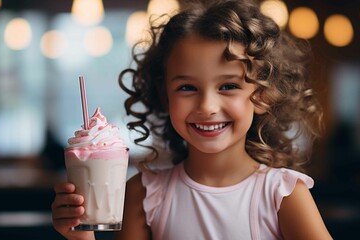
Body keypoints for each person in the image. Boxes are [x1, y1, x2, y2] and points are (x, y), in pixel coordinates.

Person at [52, 0, 332, 239]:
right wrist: (82, 236)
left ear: (262, 95)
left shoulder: (283, 195)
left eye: (228, 86)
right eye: (187, 88)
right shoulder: (142, 195)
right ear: (165, 96)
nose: (207, 106)